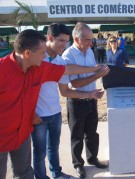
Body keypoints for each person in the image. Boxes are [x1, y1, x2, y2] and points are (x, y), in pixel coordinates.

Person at [0, 29, 106, 179]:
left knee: (24, 173)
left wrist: (94, 68)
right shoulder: (2, 71)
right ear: (27, 54)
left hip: (22, 134)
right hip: (2, 136)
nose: (45, 56)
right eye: (42, 53)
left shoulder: (39, 68)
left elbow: (67, 69)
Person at [31, 23, 109, 179]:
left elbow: (64, 89)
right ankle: (45, 175)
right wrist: (97, 73)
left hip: (56, 111)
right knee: (41, 151)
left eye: (66, 41)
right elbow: (73, 78)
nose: (64, 45)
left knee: (55, 146)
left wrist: (92, 92)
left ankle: (57, 173)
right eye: (62, 41)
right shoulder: (39, 58)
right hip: (40, 113)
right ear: (50, 38)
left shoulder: (60, 60)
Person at [62, 22, 109, 178]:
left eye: (91, 39)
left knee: (92, 133)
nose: (91, 42)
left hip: (92, 99)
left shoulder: (89, 51)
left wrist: (99, 67)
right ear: (77, 39)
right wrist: (98, 75)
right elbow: (75, 84)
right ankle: (78, 164)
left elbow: (92, 68)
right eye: (88, 39)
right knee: (77, 135)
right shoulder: (68, 55)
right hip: (76, 102)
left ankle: (92, 158)